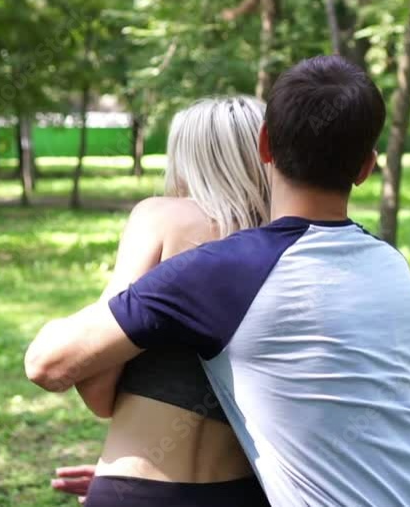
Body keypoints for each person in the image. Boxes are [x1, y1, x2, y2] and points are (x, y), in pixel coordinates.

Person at [26, 55, 410, 506]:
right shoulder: (390, 265)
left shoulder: (224, 266)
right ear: (366, 168)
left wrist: (132, 481)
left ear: (267, 145)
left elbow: (54, 365)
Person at [47, 96, 272, 506]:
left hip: (142, 488)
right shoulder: (290, 250)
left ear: (185, 158)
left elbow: (96, 381)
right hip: (250, 491)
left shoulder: (164, 217)